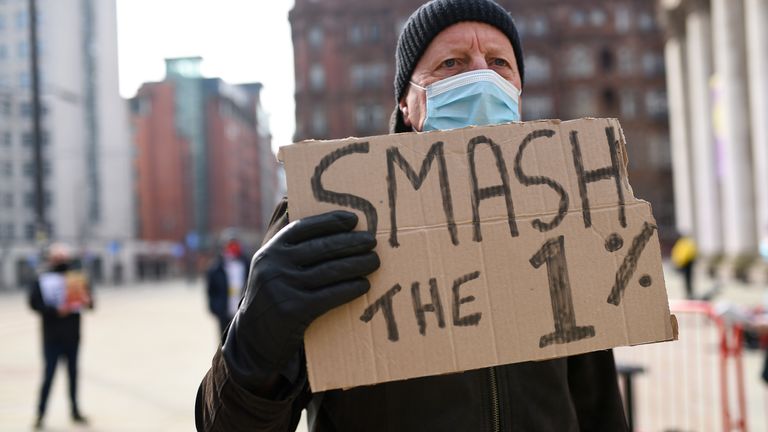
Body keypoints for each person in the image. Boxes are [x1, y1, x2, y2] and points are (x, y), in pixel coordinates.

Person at [195, 1, 628, 430]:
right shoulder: (324, 216)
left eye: (499, 62)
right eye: (451, 62)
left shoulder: (563, 214)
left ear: (518, 93)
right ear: (407, 101)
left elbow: (598, 403)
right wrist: (254, 342)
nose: (481, 77)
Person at [28, 243, 92, 429]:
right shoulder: (42, 279)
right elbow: (34, 304)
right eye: (57, 258)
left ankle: (75, 411)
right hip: (51, 337)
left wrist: (87, 300)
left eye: (63, 258)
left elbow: (90, 303)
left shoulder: (75, 278)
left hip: (72, 335)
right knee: (48, 376)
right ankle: (40, 414)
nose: (61, 261)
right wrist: (56, 310)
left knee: (73, 375)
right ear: (51, 259)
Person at [206, 236, 250, 337]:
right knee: (224, 340)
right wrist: (216, 308)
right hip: (224, 312)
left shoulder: (248, 264)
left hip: (243, 313)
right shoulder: (216, 268)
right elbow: (211, 290)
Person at [671, 234, 697, 299]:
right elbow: (691, 253)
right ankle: (689, 292)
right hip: (687, 263)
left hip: (685, 263)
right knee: (688, 279)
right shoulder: (687, 243)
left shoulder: (681, 243)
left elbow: (677, 253)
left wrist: (678, 262)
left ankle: (689, 292)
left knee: (687, 279)